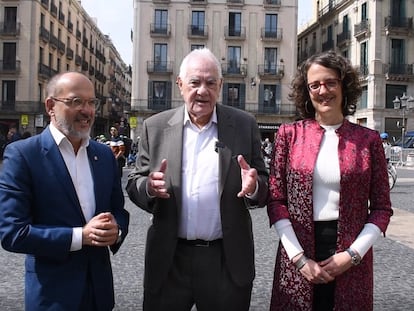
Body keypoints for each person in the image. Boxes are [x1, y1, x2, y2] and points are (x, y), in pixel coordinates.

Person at [126, 48, 268, 311]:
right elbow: (135, 181)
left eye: (210, 83)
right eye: (195, 82)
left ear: (220, 86)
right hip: (170, 260)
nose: (202, 90)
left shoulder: (244, 124)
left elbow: (263, 182)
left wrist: (254, 186)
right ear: (180, 85)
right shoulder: (155, 127)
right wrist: (149, 188)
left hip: (226, 261)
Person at [267, 51, 393, 311]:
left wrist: (352, 255)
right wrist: (299, 259)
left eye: (330, 82)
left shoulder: (368, 141)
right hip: (298, 252)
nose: (323, 91)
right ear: (307, 91)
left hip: (350, 256)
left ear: (343, 85)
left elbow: (381, 209)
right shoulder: (288, 135)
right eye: (315, 85)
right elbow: (276, 200)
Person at [0, 71, 130, 310]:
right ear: (51, 105)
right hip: (52, 297)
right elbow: (13, 233)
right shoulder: (23, 155)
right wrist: (81, 236)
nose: (87, 110)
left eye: (91, 102)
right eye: (76, 101)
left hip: (99, 294)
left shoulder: (104, 155)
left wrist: (117, 230)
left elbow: (118, 210)